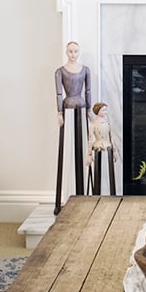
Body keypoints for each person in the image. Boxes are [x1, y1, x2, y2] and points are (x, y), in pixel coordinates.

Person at [54, 41, 92, 211]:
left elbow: (88, 91)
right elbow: (59, 92)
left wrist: (90, 109)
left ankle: (85, 198)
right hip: (68, 104)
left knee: (84, 144)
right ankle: (59, 203)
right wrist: (59, 112)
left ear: (79, 52)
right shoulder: (60, 71)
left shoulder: (85, 70)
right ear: (66, 52)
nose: (73, 54)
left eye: (75, 51)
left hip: (82, 105)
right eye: (70, 51)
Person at [86, 101, 118, 195]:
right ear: (98, 111)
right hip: (97, 144)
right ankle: (96, 194)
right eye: (103, 110)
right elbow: (90, 139)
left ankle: (113, 194)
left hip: (107, 144)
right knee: (97, 170)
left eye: (105, 110)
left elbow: (111, 137)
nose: (105, 112)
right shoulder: (93, 124)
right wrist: (89, 154)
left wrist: (114, 151)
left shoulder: (107, 123)